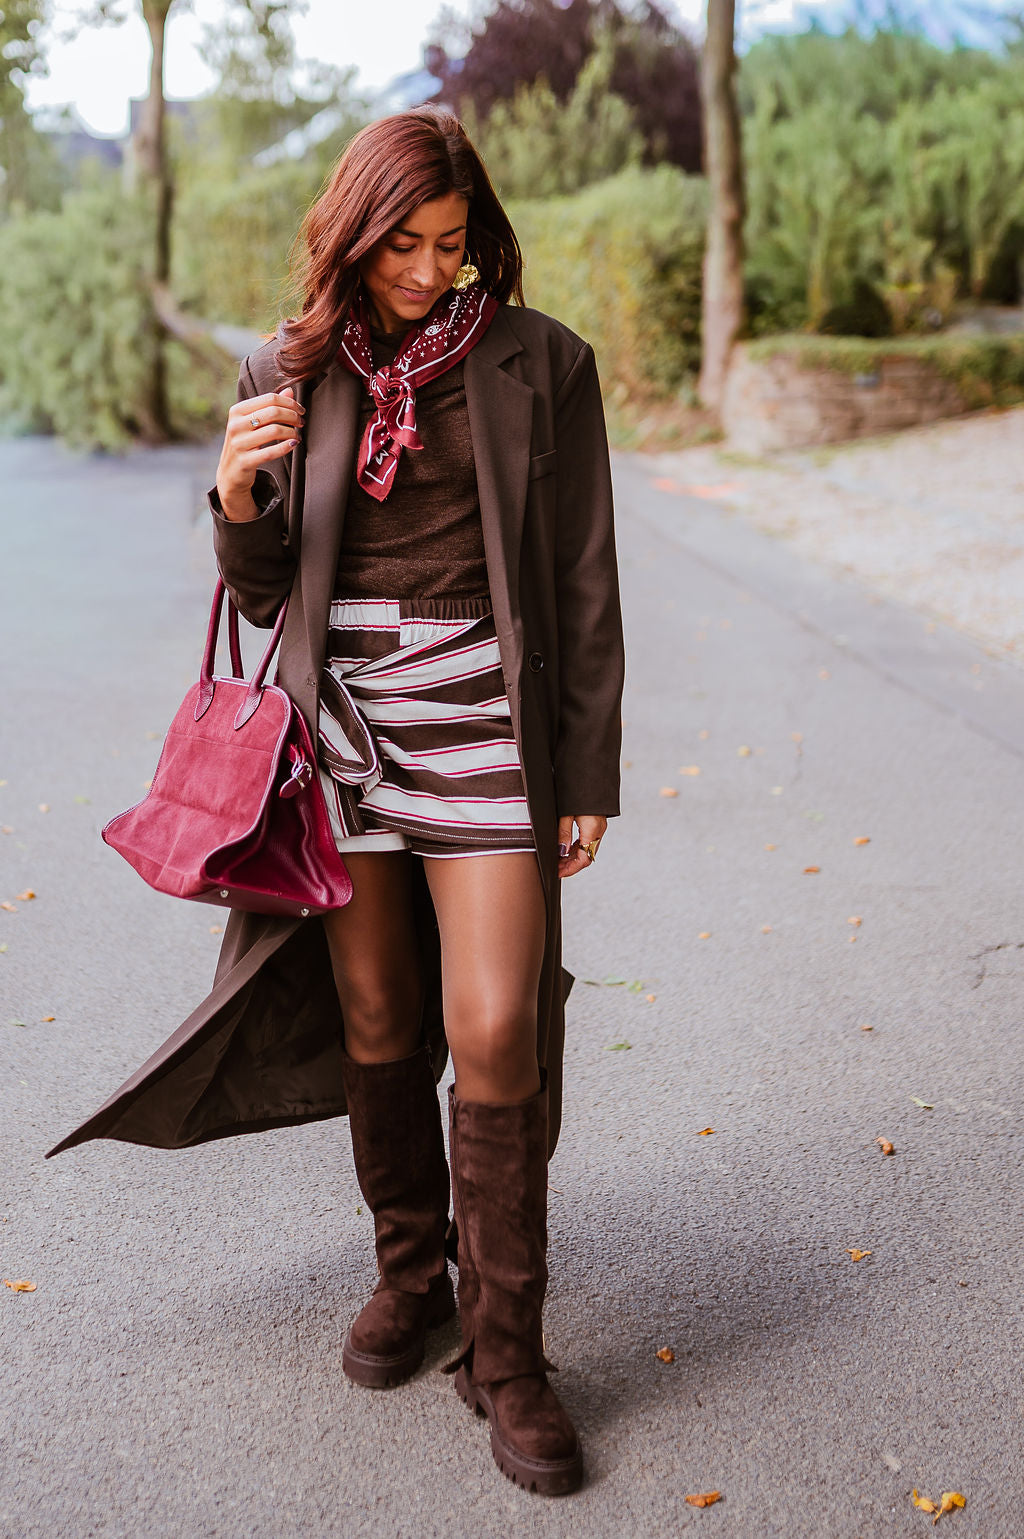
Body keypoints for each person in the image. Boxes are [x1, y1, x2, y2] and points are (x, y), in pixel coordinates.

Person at [48, 105, 624, 1499]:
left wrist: (589, 770)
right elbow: (263, 599)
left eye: (451, 244)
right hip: (344, 735)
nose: (427, 271)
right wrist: (238, 497)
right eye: (401, 246)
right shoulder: (287, 370)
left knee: (495, 1020)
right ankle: (409, 1275)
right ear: (353, 238)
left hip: (483, 722)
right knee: (376, 1013)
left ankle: (509, 1351)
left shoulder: (542, 363)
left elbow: (584, 580)